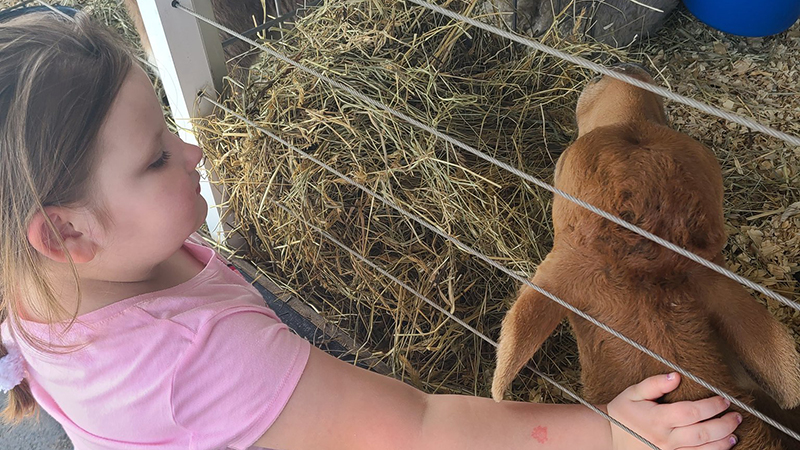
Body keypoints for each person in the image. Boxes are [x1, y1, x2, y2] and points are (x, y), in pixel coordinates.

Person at [0, 11, 741, 450]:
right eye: (158, 156)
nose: (193, 150)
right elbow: (417, 429)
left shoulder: (36, 290)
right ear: (63, 234)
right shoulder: (200, 360)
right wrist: (605, 434)